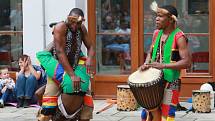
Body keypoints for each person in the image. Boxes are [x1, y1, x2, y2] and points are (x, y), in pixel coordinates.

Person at [36, 8, 94, 121]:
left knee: (86, 93)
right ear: (68, 17)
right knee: (49, 103)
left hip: (75, 66)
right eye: (72, 21)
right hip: (58, 67)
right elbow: (60, 52)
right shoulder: (60, 27)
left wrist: (90, 59)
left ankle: (84, 116)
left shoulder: (81, 28)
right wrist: (72, 76)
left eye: (78, 23)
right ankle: (43, 116)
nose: (75, 25)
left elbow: (91, 47)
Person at [140, 2, 191, 121]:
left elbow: (187, 62)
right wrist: (146, 63)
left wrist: (163, 65)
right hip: (154, 79)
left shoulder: (179, 37)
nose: (156, 19)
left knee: (167, 114)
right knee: (147, 113)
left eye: (160, 16)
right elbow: (150, 52)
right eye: (156, 16)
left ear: (171, 19)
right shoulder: (156, 33)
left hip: (171, 82)